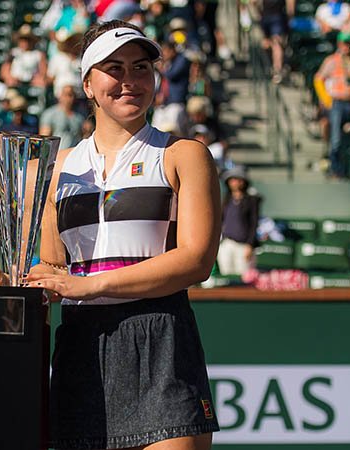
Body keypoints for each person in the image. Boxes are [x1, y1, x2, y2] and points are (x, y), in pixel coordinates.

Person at [24, 20, 221, 450]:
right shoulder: (54, 168)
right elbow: (52, 267)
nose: (129, 81)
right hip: (81, 347)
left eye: (140, 68)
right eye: (114, 69)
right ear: (88, 85)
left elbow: (196, 261)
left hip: (162, 340)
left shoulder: (183, 155)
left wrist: (91, 284)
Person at [314, 31, 350, 177]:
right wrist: (327, 99)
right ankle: (336, 169)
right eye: (345, 43)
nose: (347, 46)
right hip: (339, 103)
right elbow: (318, 79)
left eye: (349, 43)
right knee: (336, 139)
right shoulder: (332, 60)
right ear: (339, 44)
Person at [217, 166, 261, 276]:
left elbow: (254, 223)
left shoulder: (251, 200)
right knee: (226, 275)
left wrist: (250, 245)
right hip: (227, 243)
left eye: (237, 179)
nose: (234, 182)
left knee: (244, 277)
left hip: (243, 245)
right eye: (232, 180)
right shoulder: (226, 200)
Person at [256, 0, 295, 83]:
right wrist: (290, 16)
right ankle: (275, 69)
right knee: (272, 44)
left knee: (275, 43)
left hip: (272, 16)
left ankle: (276, 69)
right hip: (272, 17)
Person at [39, 84, 85, 150]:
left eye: (72, 95)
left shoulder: (79, 117)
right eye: (66, 94)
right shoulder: (49, 114)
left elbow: (81, 138)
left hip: (74, 155)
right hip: (57, 155)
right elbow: (44, 141)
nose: (69, 98)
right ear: (59, 96)